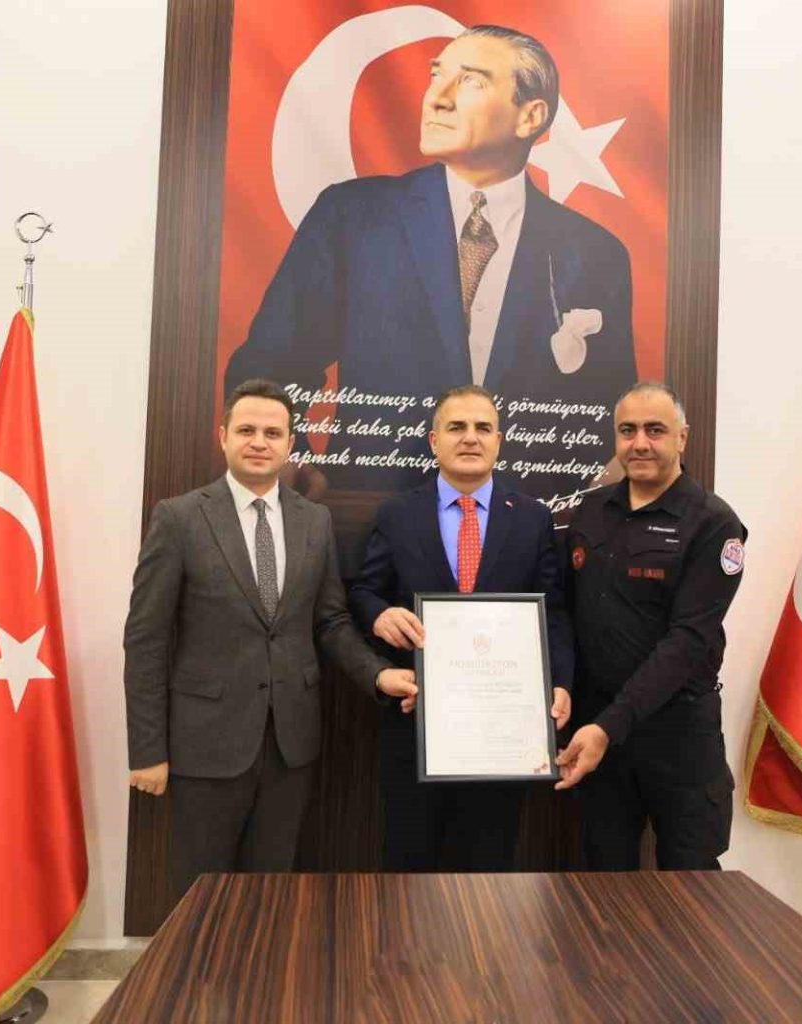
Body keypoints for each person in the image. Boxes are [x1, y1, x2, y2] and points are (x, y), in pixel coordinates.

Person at [225, 24, 636, 505]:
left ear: (530, 116)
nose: (436, 98)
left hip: (530, 529)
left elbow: (608, 413)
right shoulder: (352, 218)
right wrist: (290, 461)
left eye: (471, 81)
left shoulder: (596, 252)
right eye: (436, 75)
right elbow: (272, 363)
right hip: (369, 518)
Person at [123, 379, 417, 892]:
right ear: (223, 437)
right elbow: (146, 640)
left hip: (290, 746)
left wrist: (379, 675)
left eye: (273, 433)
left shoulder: (315, 521)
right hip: (204, 745)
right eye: (247, 430)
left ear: (290, 444)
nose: (259, 442)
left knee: (273, 893)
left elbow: (330, 621)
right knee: (199, 897)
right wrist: (147, 750)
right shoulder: (179, 518)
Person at [348, 385, 574, 870]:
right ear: (434, 441)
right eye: (456, 427)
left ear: (498, 441)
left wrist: (560, 683)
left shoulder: (533, 518)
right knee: (409, 871)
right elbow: (364, 591)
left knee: (490, 873)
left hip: (503, 735)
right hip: (417, 726)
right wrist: (379, 615)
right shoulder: (397, 514)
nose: (470, 437)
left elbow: (553, 612)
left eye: (482, 428)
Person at [554, 382, 747, 870]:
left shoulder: (715, 525)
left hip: (677, 736)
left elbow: (687, 642)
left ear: (682, 437)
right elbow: (563, 610)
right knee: (603, 882)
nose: (639, 443)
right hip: (598, 734)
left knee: (690, 887)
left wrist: (608, 726)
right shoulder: (591, 511)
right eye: (627, 431)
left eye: (655, 430)